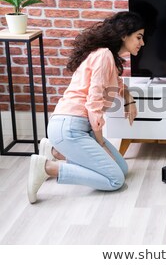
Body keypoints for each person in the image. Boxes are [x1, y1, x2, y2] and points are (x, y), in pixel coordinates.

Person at [27, 11, 151, 204]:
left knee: (123, 169)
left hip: (79, 127)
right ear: (124, 35)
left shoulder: (107, 57)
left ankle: (55, 152)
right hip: (70, 127)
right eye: (139, 37)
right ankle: (47, 167)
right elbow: (93, 105)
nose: (142, 43)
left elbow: (118, 85)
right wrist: (101, 142)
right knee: (115, 179)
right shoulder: (104, 56)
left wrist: (129, 99)